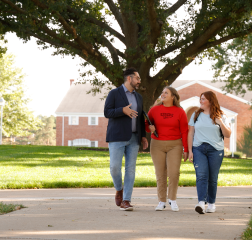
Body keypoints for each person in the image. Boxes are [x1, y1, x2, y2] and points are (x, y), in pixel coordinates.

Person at [104, 68, 148, 211]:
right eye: (137, 78)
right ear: (129, 78)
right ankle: (119, 189)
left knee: (130, 170)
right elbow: (107, 112)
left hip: (134, 138)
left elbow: (140, 117)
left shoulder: (139, 97)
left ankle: (126, 200)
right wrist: (122, 110)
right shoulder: (114, 93)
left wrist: (143, 137)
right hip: (117, 137)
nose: (139, 81)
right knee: (114, 167)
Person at [145, 86, 188, 212]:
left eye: (166, 93)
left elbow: (185, 131)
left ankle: (172, 199)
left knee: (174, 173)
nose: (163, 94)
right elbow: (147, 125)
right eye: (162, 92)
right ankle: (161, 201)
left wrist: (186, 149)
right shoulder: (154, 110)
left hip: (175, 144)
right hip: (157, 144)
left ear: (172, 96)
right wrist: (149, 129)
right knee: (160, 174)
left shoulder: (180, 111)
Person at [188, 91, 231, 214]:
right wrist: (190, 150)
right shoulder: (196, 115)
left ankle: (211, 203)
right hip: (198, 148)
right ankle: (201, 202)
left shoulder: (221, 115)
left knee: (212, 178)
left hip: (215, 150)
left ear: (211, 101)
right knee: (201, 175)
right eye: (200, 99)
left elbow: (228, 134)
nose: (200, 101)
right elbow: (190, 133)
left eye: (203, 99)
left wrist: (220, 122)